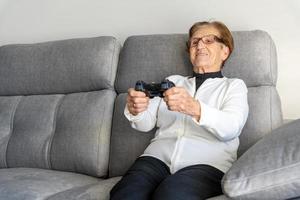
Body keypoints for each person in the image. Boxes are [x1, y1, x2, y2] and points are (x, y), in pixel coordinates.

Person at [110, 21, 249, 200]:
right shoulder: (172, 81)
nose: (199, 45)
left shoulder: (234, 86)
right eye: (195, 41)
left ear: (225, 51)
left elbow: (232, 127)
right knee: (125, 194)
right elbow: (145, 124)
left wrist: (195, 108)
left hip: (207, 164)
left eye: (209, 40)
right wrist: (136, 110)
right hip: (155, 160)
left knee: (171, 195)